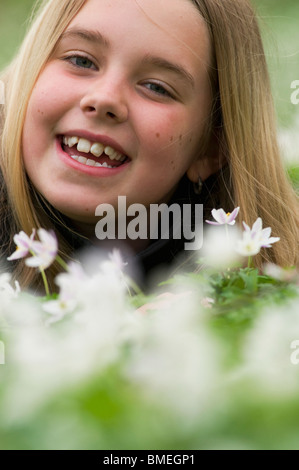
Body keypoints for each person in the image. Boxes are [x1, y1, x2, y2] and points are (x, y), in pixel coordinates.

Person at [0, 0, 298, 292]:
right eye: (81, 60)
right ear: (30, 72)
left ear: (211, 149)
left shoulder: (272, 289)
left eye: (156, 87)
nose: (105, 99)